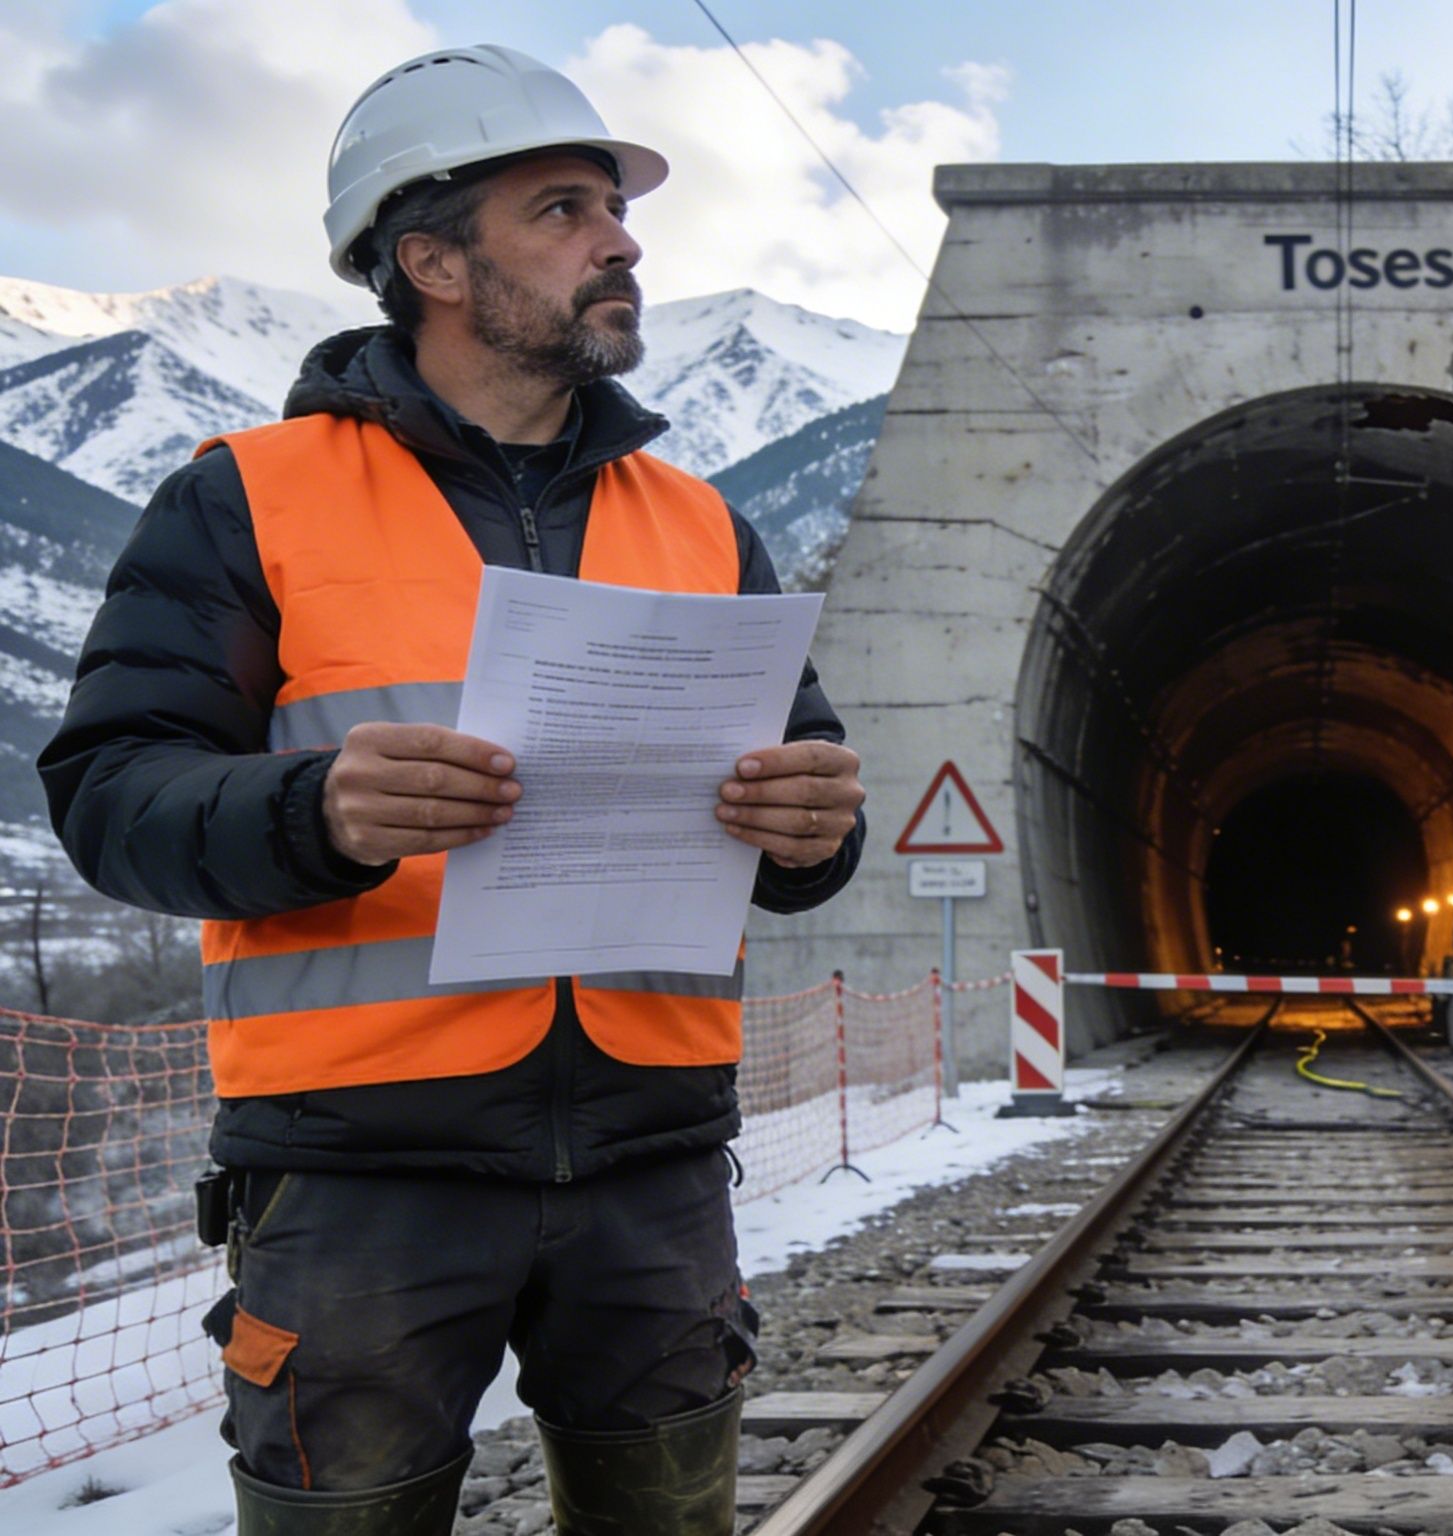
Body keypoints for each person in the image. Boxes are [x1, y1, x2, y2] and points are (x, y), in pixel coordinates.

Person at [38, 45, 866, 1535]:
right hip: (361, 1183)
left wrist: (816, 832)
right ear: (426, 259)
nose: (619, 242)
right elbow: (108, 794)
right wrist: (317, 815)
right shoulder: (249, 498)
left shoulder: (700, 523)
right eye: (563, 208)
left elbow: (802, 816)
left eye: (614, 211)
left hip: (654, 1166)